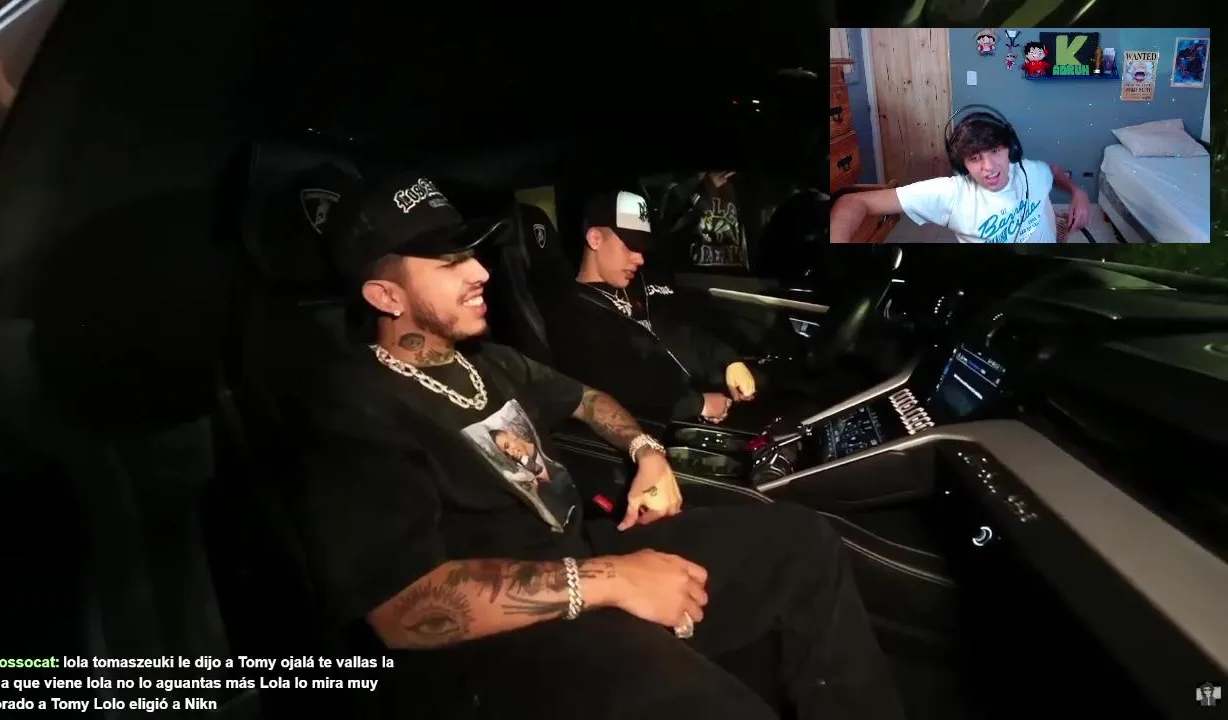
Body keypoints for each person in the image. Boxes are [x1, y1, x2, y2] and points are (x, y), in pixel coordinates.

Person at [298, 171, 905, 719]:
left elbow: (587, 399)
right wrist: (611, 580)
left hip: (584, 550)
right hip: (510, 640)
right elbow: (403, 609)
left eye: (472, 254)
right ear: (386, 296)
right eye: (448, 262)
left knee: (802, 541)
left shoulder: (488, 360)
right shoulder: (353, 406)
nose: (480, 272)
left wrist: (647, 452)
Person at [540, 189, 760, 425]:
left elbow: (681, 333)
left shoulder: (644, 285)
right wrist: (698, 404)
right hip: (654, 424)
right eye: (630, 245)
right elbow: (617, 384)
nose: (640, 258)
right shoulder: (571, 313)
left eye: (642, 247)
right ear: (595, 239)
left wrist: (728, 360)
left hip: (698, 399)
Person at [829, 107, 1090, 244]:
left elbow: (1053, 171)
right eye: (975, 158)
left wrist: (1077, 192)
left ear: (1010, 149)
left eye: (995, 151)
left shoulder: (1030, 170)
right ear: (962, 164)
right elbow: (853, 201)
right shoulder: (951, 194)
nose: (989, 167)